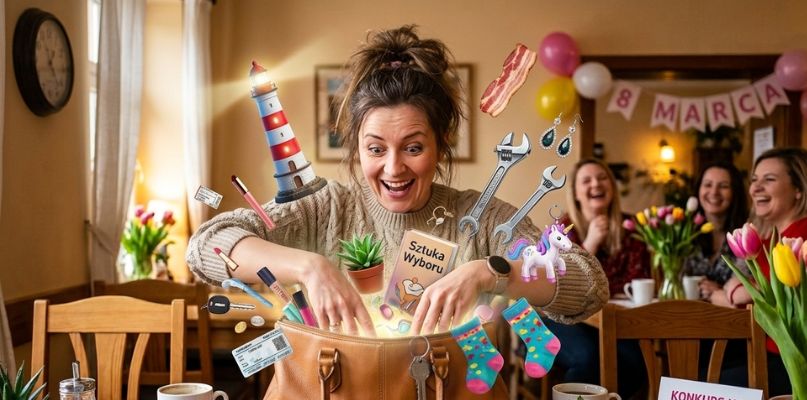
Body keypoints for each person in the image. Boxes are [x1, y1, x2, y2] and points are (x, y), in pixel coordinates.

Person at [186, 26, 607, 343]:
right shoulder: (323, 208)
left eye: (413, 147)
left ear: (441, 145)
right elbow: (206, 246)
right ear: (356, 148)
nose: (393, 168)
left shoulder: (480, 218)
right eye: (375, 149)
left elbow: (589, 285)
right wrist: (309, 267)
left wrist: (489, 273)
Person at [539, 158, 650, 398]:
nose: (596, 184)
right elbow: (556, 284)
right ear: (576, 193)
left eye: (602, 178)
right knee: (587, 358)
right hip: (561, 319)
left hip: (614, 321)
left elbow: (639, 279)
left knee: (636, 363)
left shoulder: (631, 226)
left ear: (612, 186)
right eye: (586, 180)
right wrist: (590, 244)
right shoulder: (561, 230)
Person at [723, 147, 807, 397]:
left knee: (703, 380)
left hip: (793, 363)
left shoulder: (801, 236)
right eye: (754, 180)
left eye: (769, 179)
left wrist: (734, 293)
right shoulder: (770, 240)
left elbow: (756, 291)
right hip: (769, 351)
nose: (755, 188)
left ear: (799, 189)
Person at [685, 162, 749, 306]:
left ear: (735, 192)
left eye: (723, 186)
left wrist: (719, 291)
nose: (714, 192)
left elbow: (747, 286)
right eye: (708, 185)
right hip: (686, 312)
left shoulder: (745, 235)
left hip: (729, 315)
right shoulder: (685, 233)